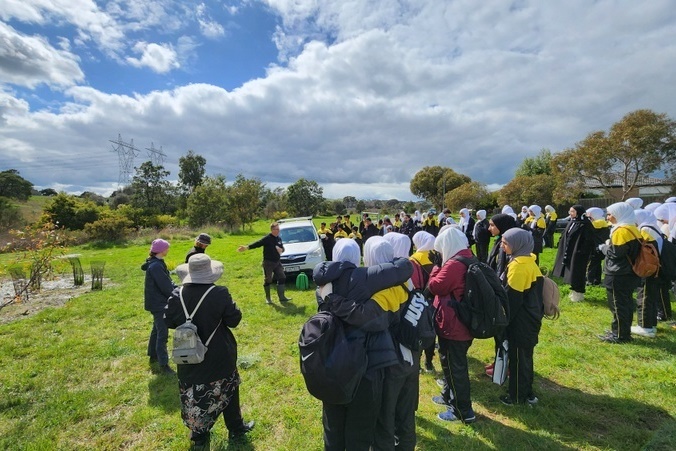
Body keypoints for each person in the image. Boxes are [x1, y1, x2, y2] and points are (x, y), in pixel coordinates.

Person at [313, 238, 413, 451]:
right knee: (360, 426)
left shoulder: (322, 285)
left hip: (331, 361)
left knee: (332, 422)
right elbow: (403, 269)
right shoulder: (367, 279)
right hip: (365, 363)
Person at [165, 254, 254, 448]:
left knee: (193, 394)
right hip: (218, 354)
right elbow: (234, 320)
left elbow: (168, 321)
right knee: (229, 389)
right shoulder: (219, 293)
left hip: (188, 354)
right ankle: (236, 428)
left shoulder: (176, 294)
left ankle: (199, 436)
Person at [427, 227, 476, 424]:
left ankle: (463, 411)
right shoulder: (468, 256)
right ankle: (448, 396)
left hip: (455, 326)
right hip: (462, 322)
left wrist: (436, 267)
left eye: (440, 250)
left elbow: (434, 286)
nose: (439, 254)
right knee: (449, 364)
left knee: (456, 369)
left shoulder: (453, 265)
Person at [499, 228, 544, 406]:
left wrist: (504, 321)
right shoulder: (530, 260)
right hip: (532, 316)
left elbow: (513, 300)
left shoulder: (518, 266)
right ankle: (528, 392)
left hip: (521, 321)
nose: (502, 246)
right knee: (525, 357)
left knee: (517, 359)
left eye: (505, 243)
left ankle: (517, 396)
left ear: (517, 244)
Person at [597, 202, 641, 344]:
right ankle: (622, 331)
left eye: (610, 214)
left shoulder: (621, 231)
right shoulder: (632, 228)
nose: (608, 217)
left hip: (618, 273)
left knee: (617, 304)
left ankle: (620, 335)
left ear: (619, 214)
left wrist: (604, 247)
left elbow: (616, 253)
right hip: (628, 272)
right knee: (625, 303)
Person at [142, 239, 177, 375]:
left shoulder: (156, 263)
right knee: (162, 333)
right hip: (159, 304)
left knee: (156, 330)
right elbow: (165, 286)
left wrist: (177, 287)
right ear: (161, 250)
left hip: (155, 302)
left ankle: (153, 355)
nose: (168, 250)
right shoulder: (156, 266)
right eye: (166, 248)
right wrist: (176, 293)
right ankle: (163, 365)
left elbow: (167, 281)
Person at [237, 222, 291, 304]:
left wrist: (282, 250)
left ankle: (282, 297)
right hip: (268, 263)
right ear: (272, 230)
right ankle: (268, 299)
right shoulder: (267, 238)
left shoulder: (279, 238)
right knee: (268, 280)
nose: (278, 231)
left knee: (282, 277)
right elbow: (258, 243)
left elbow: (282, 248)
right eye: (276, 229)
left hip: (277, 262)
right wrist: (247, 247)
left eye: (278, 229)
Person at [552, 205, 594, 302]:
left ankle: (578, 294)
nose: (570, 213)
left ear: (578, 212)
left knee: (577, 272)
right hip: (569, 252)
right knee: (570, 272)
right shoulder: (572, 222)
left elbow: (588, 240)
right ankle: (573, 291)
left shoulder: (585, 224)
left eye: (572, 211)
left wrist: (581, 251)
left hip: (578, 254)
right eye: (570, 211)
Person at [632, 209, 662, 338]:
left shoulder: (644, 230)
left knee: (644, 296)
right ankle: (651, 324)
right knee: (651, 296)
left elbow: (644, 249)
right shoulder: (653, 227)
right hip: (656, 268)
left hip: (648, 267)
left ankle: (645, 326)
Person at [410, 231, 437, 372]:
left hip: (419, 298)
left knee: (418, 330)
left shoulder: (414, 259)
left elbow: (413, 282)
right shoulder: (437, 256)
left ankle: (418, 363)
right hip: (435, 298)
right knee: (432, 330)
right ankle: (429, 362)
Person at [585, 207, 610, 286]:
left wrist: (588, 218)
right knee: (597, 264)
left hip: (594, 247)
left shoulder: (596, 223)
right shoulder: (604, 222)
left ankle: (590, 280)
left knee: (591, 265)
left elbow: (587, 226)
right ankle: (597, 280)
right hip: (601, 246)